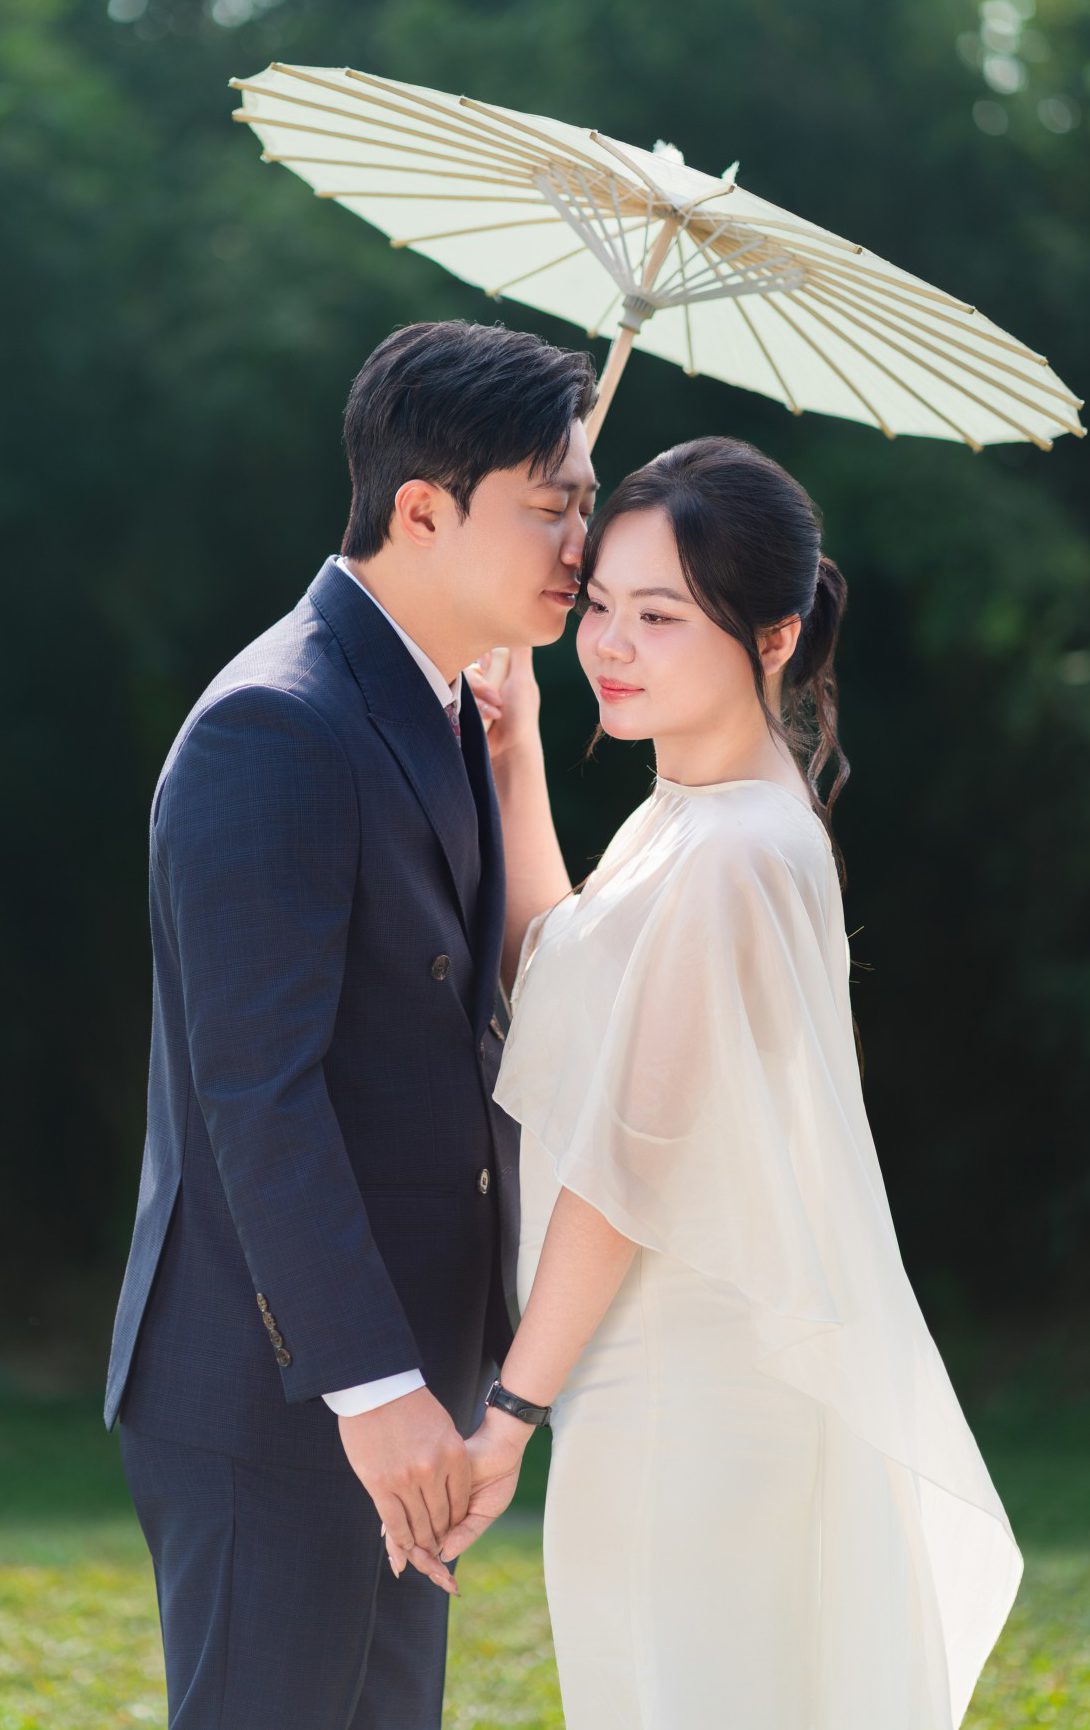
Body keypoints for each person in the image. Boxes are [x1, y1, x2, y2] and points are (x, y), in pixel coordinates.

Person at [398, 436, 1024, 1729]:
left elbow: (627, 1157)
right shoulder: (693, 815)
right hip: (656, 1380)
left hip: (682, 1396)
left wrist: (508, 1415)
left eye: (662, 616)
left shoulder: (730, 852)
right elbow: (558, 976)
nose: (611, 647)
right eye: (600, 607)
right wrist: (517, 757)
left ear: (774, 635)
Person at [103, 318, 598, 1730]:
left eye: (584, 503)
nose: (581, 543)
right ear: (422, 510)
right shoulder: (276, 725)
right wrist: (371, 1388)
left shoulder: (445, 705)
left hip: (407, 1374)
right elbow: (256, 1093)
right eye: (551, 505)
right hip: (286, 1393)